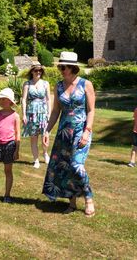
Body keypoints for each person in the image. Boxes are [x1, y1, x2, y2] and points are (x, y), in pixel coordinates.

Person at [42, 51, 96, 217]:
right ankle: (71, 202)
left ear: (73, 67)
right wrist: (47, 130)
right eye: (60, 66)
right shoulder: (58, 86)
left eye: (64, 67)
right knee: (64, 167)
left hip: (81, 130)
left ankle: (88, 197)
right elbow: (56, 111)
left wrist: (87, 131)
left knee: (76, 165)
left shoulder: (86, 84)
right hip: (64, 132)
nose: (61, 69)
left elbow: (91, 110)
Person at [21, 61, 51, 168]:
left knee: (45, 135)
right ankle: (36, 160)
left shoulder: (45, 83)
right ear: (32, 72)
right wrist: (24, 114)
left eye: (40, 70)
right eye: (36, 70)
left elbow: (48, 99)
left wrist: (49, 113)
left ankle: (45, 153)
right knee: (34, 137)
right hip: (31, 113)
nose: (38, 72)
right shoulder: (27, 84)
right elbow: (24, 100)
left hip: (43, 113)